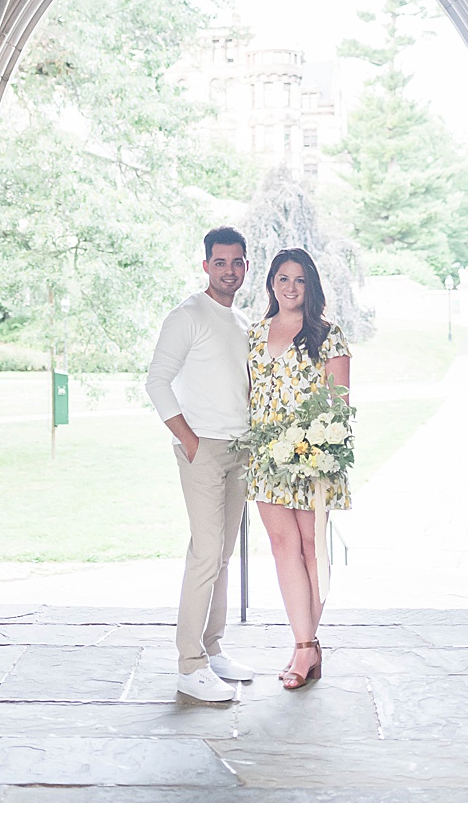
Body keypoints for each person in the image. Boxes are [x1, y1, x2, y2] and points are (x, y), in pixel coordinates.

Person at [145, 226, 256, 705]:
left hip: (240, 450)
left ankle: (212, 648)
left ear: (246, 267)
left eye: (237, 263)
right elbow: (156, 382)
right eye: (220, 262)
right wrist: (189, 441)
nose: (228, 270)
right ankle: (189, 664)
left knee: (223, 556)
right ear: (205, 265)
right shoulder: (188, 315)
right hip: (203, 450)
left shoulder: (241, 321)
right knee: (206, 554)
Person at [246, 247, 352, 691]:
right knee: (281, 545)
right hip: (266, 457)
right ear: (271, 283)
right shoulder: (252, 335)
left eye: (300, 280)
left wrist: (318, 452)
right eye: (283, 278)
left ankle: (304, 648)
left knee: (312, 549)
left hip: (312, 455)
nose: (291, 287)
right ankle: (304, 644)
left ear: (311, 287)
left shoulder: (328, 335)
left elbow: (338, 402)